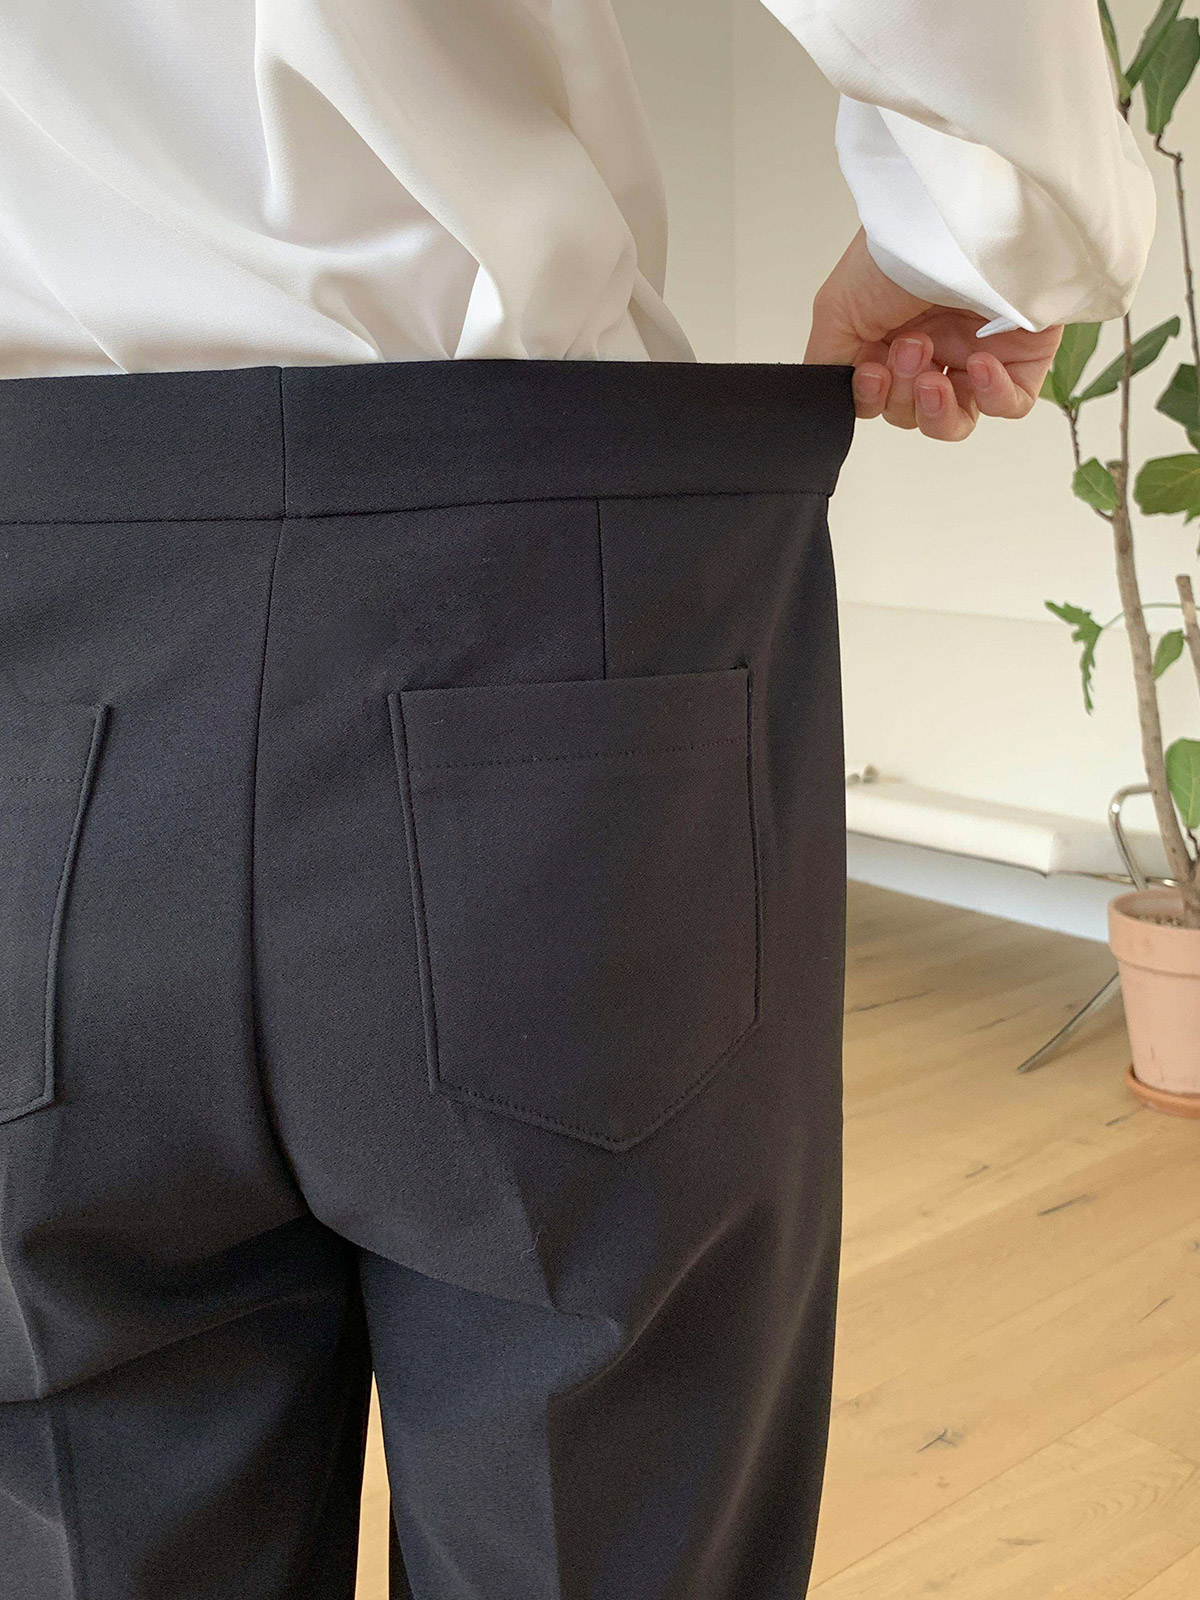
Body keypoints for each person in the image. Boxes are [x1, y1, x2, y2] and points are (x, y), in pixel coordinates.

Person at [0, 4, 1153, 1598]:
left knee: (84, 1503)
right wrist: (981, 233)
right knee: (603, 1509)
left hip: (42, 615)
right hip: (540, 593)